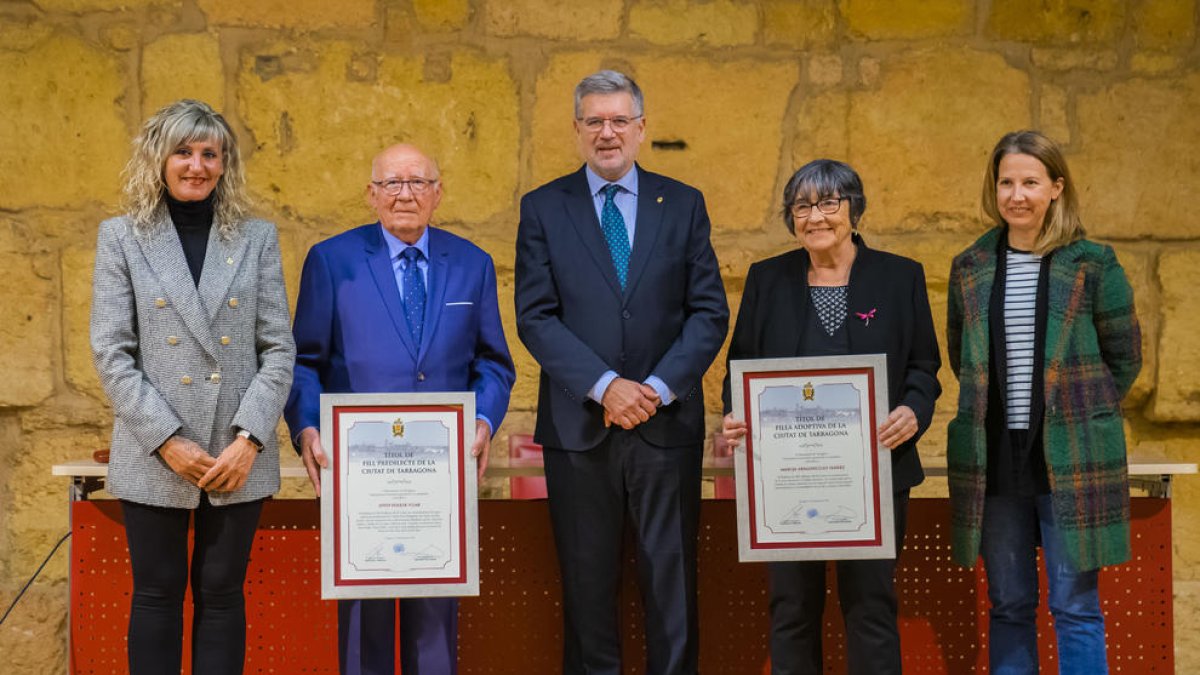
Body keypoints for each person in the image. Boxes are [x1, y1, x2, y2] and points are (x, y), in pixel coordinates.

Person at [514, 70, 729, 675]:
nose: (606, 133)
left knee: (672, 587)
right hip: (580, 428)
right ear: (577, 130)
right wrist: (606, 386)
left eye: (618, 121)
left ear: (640, 129)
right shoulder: (543, 208)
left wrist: (655, 390)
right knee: (586, 589)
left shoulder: (682, 203)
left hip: (667, 427)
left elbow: (709, 311)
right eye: (593, 122)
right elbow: (535, 316)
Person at [285, 143, 516, 675]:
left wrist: (482, 421)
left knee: (435, 629)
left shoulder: (472, 264)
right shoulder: (331, 260)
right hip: (361, 476)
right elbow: (305, 361)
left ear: (438, 193)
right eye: (392, 183)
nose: (405, 194)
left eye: (418, 182)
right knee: (364, 629)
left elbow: (494, 363)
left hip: (438, 476)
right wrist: (307, 430)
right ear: (371, 195)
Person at [90, 99, 295, 675]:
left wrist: (249, 438)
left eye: (210, 153)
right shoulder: (122, 237)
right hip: (156, 449)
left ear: (225, 164)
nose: (197, 165)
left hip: (236, 451)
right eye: (183, 151)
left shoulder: (255, 238)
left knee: (223, 594)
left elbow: (278, 347)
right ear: (159, 158)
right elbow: (112, 351)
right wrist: (167, 440)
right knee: (156, 596)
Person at [720, 159, 941, 674]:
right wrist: (736, 413)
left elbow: (924, 366)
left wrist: (913, 409)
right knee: (792, 609)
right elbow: (741, 366)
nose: (815, 217)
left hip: (876, 474)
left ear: (853, 209)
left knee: (871, 607)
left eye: (828, 203)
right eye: (802, 206)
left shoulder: (900, 276)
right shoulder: (766, 279)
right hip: (786, 478)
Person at [946, 130, 1141, 674]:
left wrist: (1078, 417)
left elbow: (1124, 357)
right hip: (996, 463)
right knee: (1008, 606)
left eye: (1030, 182)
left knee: (1074, 606)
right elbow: (963, 356)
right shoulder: (970, 266)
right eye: (1006, 181)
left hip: (1072, 461)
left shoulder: (1094, 263)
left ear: (1056, 187)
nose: (1017, 194)